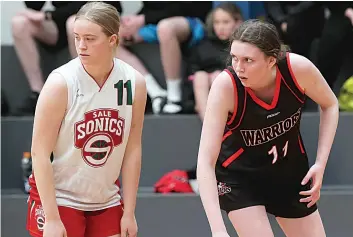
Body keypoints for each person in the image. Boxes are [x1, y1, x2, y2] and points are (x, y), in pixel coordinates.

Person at [197, 19, 339, 237]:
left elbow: (330, 104)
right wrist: (218, 230)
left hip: (288, 172)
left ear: (272, 60)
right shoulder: (226, 86)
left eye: (248, 60)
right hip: (240, 177)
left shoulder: (297, 70)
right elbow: (205, 162)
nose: (238, 67)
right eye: (234, 58)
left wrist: (321, 163)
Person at [26, 2, 146, 237]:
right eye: (77, 37)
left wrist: (129, 211)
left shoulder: (134, 82)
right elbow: (39, 153)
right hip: (58, 196)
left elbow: (132, 149)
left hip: (105, 197)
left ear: (112, 40)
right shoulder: (60, 83)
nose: (81, 46)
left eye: (90, 38)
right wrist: (51, 217)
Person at [11, 1, 87, 116]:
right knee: (19, 23)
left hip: (89, 20)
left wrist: (49, 15)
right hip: (60, 23)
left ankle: (83, 93)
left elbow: (95, 5)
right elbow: (34, 6)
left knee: (75, 23)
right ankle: (38, 95)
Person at [189, 2, 243, 122]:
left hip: (234, 91)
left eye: (225, 22)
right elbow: (192, 70)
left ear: (237, 22)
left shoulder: (242, 46)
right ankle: (207, 122)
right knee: (200, 76)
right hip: (203, 92)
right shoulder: (203, 45)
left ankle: (222, 122)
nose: (220, 27)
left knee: (218, 76)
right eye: (217, 22)